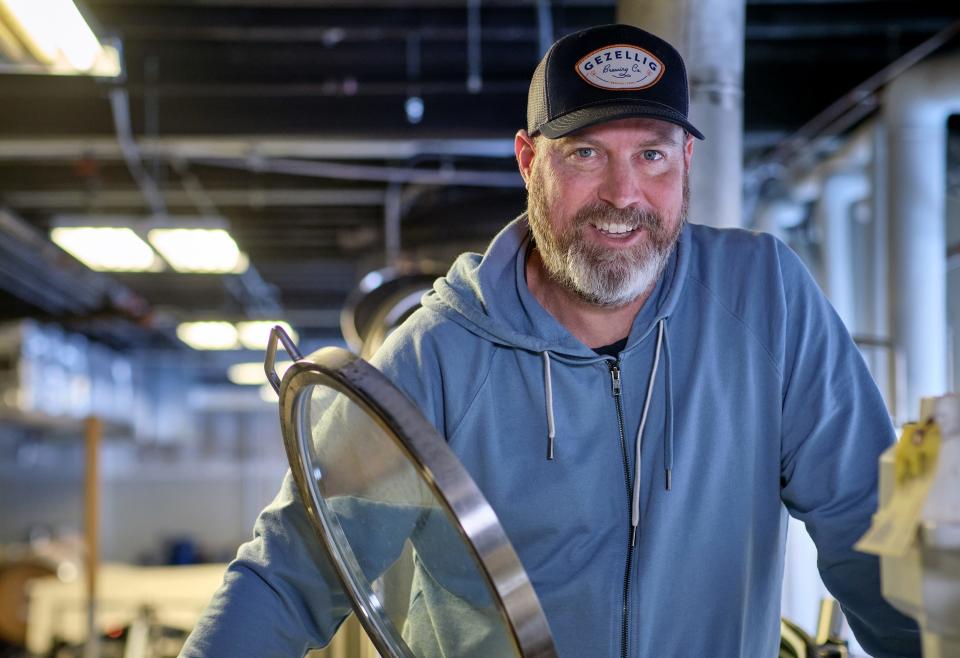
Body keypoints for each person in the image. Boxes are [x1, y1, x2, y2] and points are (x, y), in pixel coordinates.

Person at [180, 24, 921, 658]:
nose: (624, 196)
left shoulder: (766, 301)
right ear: (530, 162)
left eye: (652, 155)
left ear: (686, 162)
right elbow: (292, 573)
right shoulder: (437, 354)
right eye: (586, 154)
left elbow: (870, 535)